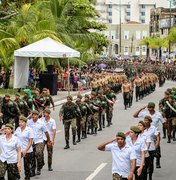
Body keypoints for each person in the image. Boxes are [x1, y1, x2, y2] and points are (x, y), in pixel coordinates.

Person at [133, 102, 164, 168]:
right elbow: (135, 115)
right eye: (148, 107)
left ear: (153, 108)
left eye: (151, 107)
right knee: (145, 147)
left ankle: (157, 160)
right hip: (146, 132)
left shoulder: (158, 114)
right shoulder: (145, 113)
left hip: (155, 133)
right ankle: (146, 162)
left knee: (157, 147)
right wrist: (141, 108)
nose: (149, 109)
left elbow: (163, 122)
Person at [27, 110, 52, 176]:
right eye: (33, 115)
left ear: (38, 116)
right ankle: (32, 170)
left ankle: (39, 168)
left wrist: (49, 141)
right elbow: (22, 122)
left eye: (35, 115)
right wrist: (28, 117)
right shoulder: (29, 122)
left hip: (39, 141)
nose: (34, 116)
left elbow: (46, 133)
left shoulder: (41, 123)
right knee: (32, 156)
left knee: (38, 153)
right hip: (31, 141)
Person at [14, 116, 34, 180]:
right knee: (16, 164)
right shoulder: (17, 129)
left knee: (27, 167)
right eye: (19, 122)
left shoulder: (29, 130)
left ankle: (27, 178)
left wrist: (26, 150)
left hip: (28, 151)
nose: (20, 123)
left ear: (25, 123)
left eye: (22, 122)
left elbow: (30, 142)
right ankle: (17, 177)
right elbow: (13, 137)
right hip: (19, 150)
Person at [143, 116, 160, 180]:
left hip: (151, 148)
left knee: (150, 163)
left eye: (147, 120)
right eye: (144, 120)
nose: (145, 121)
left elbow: (157, 136)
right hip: (144, 149)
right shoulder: (142, 128)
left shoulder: (153, 128)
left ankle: (150, 177)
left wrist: (157, 142)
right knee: (145, 164)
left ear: (150, 121)